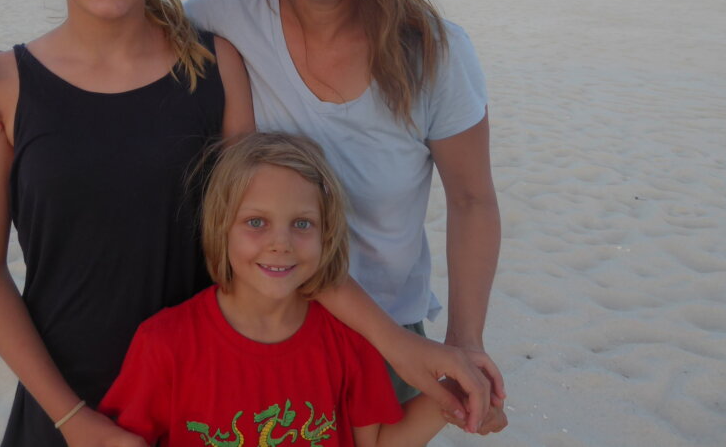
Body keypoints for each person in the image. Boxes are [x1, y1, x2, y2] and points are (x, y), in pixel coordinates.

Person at [0, 0, 505, 433]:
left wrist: (459, 341)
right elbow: (113, 33)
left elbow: (471, 200)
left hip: (328, 345)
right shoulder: (225, 22)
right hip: (140, 370)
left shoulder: (415, 53)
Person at [0, 0, 254, 447]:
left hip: (199, 398)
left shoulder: (216, 68)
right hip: (62, 404)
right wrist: (72, 418)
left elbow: (247, 243)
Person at [99, 132, 506, 447]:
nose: (281, 243)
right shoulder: (164, 343)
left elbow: (377, 443)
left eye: (302, 224)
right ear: (220, 227)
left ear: (327, 234)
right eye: (256, 222)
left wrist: (455, 398)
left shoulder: (351, 339)